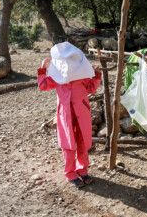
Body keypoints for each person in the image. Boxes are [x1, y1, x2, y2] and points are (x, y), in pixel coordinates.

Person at [37, 42, 101, 188]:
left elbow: (91, 89)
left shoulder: (82, 74)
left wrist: (96, 74)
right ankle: (70, 172)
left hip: (82, 112)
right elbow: (43, 86)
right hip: (65, 113)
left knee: (83, 140)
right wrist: (43, 69)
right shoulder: (56, 75)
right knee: (68, 143)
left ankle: (83, 170)